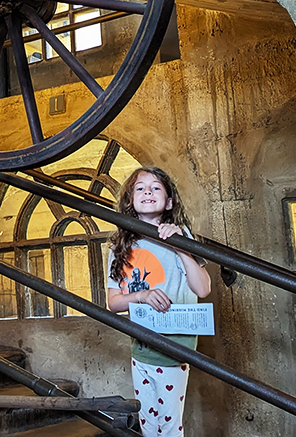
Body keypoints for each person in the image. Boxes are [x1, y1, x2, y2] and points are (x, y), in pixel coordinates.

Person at [106, 166, 211, 436]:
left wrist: (179, 246)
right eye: (140, 188)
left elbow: (203, 289)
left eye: (155, 187)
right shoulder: (120, 246)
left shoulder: (181, 234)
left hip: (175, 345)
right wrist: (142, 295)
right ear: (130, 200)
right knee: (148, 424)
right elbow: (113, 303)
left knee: (170, 424)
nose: (148, 192)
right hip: (141, 345)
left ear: (169, 201)